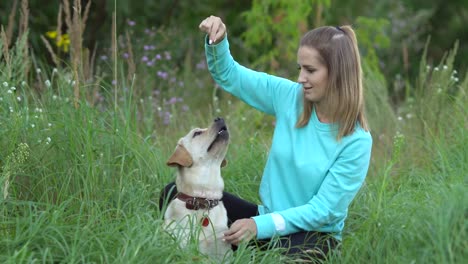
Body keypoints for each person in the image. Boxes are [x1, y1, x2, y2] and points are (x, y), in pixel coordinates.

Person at [160, 15, 372, 261]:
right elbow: (231, 75)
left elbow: (322, 211)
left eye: (310, 70)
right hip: (264, 220)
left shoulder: (357, 141)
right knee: (173, 195)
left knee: (296, 256)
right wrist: (218, 42)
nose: (301, 78)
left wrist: (259, 226)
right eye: (300, 68)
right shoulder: (290, 96)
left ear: (338, 74)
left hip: (312, 237)